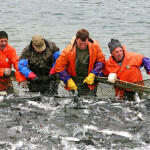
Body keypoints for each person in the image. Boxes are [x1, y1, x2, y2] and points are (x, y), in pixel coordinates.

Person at [55, 29, 105, 97]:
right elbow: (58, 66)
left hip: (89, 79)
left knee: (91, 100)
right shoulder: (68, 51)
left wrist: (93, 73)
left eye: (85, 44)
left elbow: (101, 60)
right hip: (74, 81)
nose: (82, 46)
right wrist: (67, 79)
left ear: (88, 39)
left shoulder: (95, 46)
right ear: (76, 40)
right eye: (80, 44)